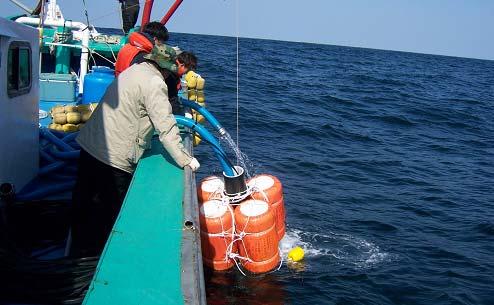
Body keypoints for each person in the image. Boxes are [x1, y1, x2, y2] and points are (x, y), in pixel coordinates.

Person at [70, 44, 200, 256]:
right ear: (167, 67)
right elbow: (165, 126)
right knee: (109, 213)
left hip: (90, 145)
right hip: (114, 158)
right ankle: (97, 258)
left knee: (83, 203)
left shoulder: (134, 70)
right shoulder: (155, 83)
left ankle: (76, 250)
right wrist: (185, 159)